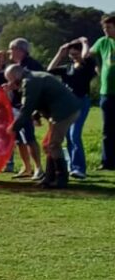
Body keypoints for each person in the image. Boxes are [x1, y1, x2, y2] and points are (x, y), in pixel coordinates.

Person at [5, 64, 81, 189]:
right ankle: (49, 178)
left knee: (53, 144)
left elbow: (27, 108)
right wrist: (36, 115)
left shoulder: (29, 81)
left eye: (10, 79)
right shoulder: (33, 77)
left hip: (65, 112)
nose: (10, 82)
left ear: (16, 75)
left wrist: (13, 128)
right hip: (65, 110)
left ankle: (61, 179)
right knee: (47, 144)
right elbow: (39, 98)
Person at [49, 40, 97, 179]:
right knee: (68, 136)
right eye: (71, 55)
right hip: (67, 104)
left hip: (81, 101)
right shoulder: (68, 68)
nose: (74, 57)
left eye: (76, 54)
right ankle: (72, 166)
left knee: (74, 134)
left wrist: (84, 41)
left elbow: (86, 55)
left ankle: (79, 168)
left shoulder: (87, 65)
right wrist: (60, 53)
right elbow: (50, 70)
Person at [5, 38, 45, 181]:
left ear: (20, 50)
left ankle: (38, 168)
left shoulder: (31, 66)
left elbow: (33, 87)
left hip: (27, 106)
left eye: (11, 49)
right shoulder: (18, 65)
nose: (9, 52)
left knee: (29, 137)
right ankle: (27, 167)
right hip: (17, 106)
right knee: (19, 139)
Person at [88, 13, 115, 169]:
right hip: (107, 92)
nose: (106, 30)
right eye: (104, 28)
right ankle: (107, 162)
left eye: (109, 27)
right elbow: (88, 55)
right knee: (108, 129)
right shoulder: (102, 42)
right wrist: (97, 66)